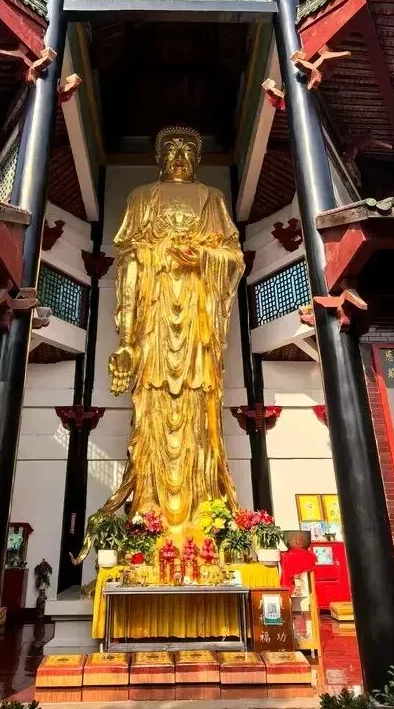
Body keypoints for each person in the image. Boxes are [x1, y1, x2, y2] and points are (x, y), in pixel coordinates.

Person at [76, 126, 245, 558]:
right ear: (159, 157)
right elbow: (128, 260)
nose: (180, 154)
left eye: (189, 148)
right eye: (171, 147)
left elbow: (234, 258)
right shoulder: (141, 198)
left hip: (198, 320)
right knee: (151, 408)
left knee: (199, 411)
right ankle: (148, 511)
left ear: (198, 158)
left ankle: (204, 513)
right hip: (154, 319)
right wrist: (127, 338)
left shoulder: (212, 199)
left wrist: (203, 256)